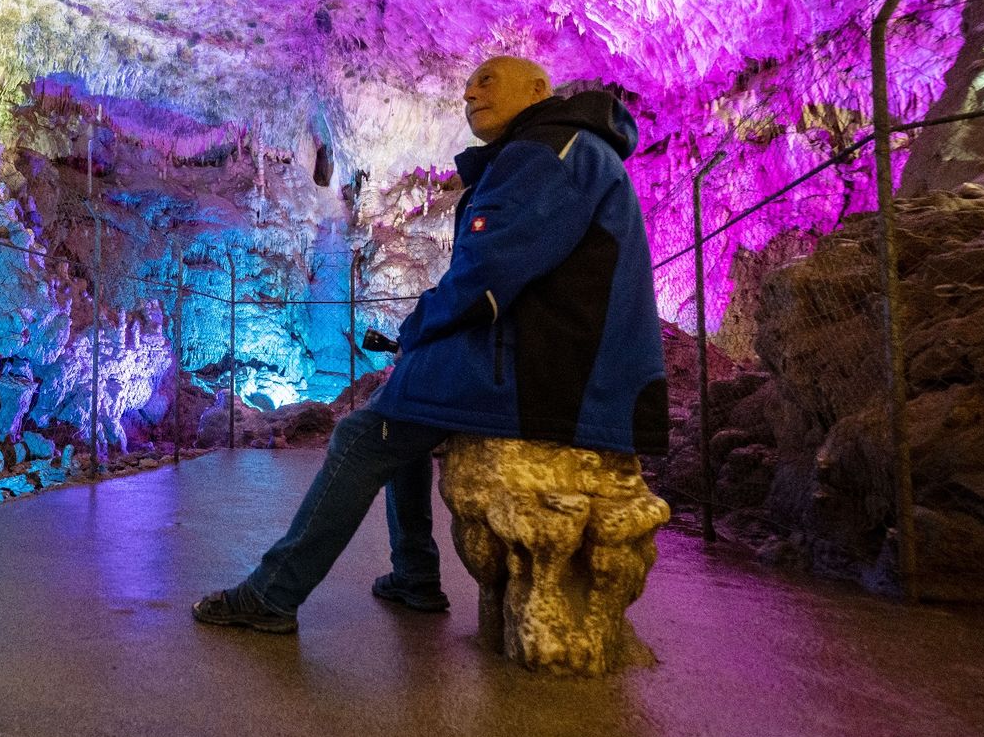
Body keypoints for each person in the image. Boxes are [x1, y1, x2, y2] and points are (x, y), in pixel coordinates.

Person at [193, 55, 669, 633]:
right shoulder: (563, 149)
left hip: (553, 375)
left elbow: (484, 275)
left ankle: (273, 594)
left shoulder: (547, 150)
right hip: (559, 362)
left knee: (361, 435)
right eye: (468, 85)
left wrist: (419, 327)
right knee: (406, 404)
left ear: (540, 89)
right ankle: (414, 574)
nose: (470, 91)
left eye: (487, 80)